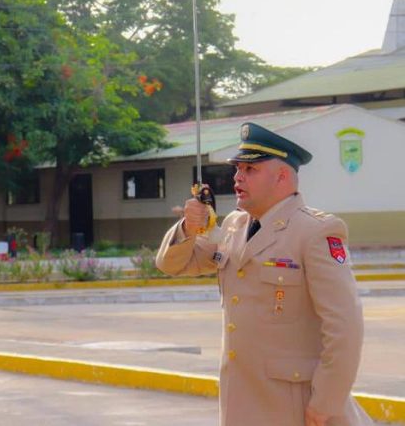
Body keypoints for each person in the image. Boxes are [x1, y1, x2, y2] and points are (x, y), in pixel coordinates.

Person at [156, 122, 372, 426]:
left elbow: (344, 326)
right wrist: (187, 230)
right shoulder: (234, 226)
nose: (237, 177)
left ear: (282, 176)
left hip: (296, 408)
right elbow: (172, 264)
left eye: (250, 169)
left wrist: (327, 403)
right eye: (237, 169)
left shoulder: (316, 232)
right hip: (241, 402)